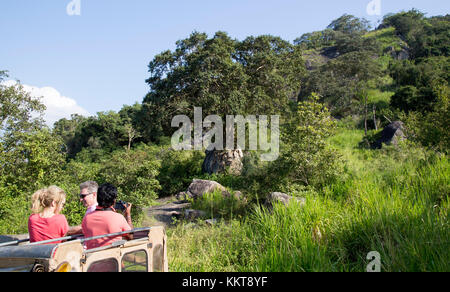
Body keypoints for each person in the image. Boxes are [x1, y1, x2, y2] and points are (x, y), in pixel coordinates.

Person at [82, 183, 133, 250]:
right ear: (114, 201)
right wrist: (128, 214)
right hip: (113, 258)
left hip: (93, 258)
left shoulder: (87, 218)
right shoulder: (118, 218)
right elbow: (130, 236)